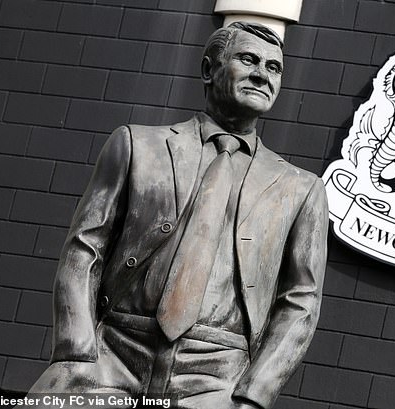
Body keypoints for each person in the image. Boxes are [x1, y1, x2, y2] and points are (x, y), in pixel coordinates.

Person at [23, 22, 329, 409]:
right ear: (208, 70)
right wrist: (77, 352)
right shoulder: (137, 146)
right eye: (248, 60)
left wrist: (253, 396)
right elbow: (85, 249)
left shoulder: (301, 189)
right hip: (113, 354)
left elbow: (300, 302)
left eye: (273, 67)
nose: (262, 74)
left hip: (217, 378)